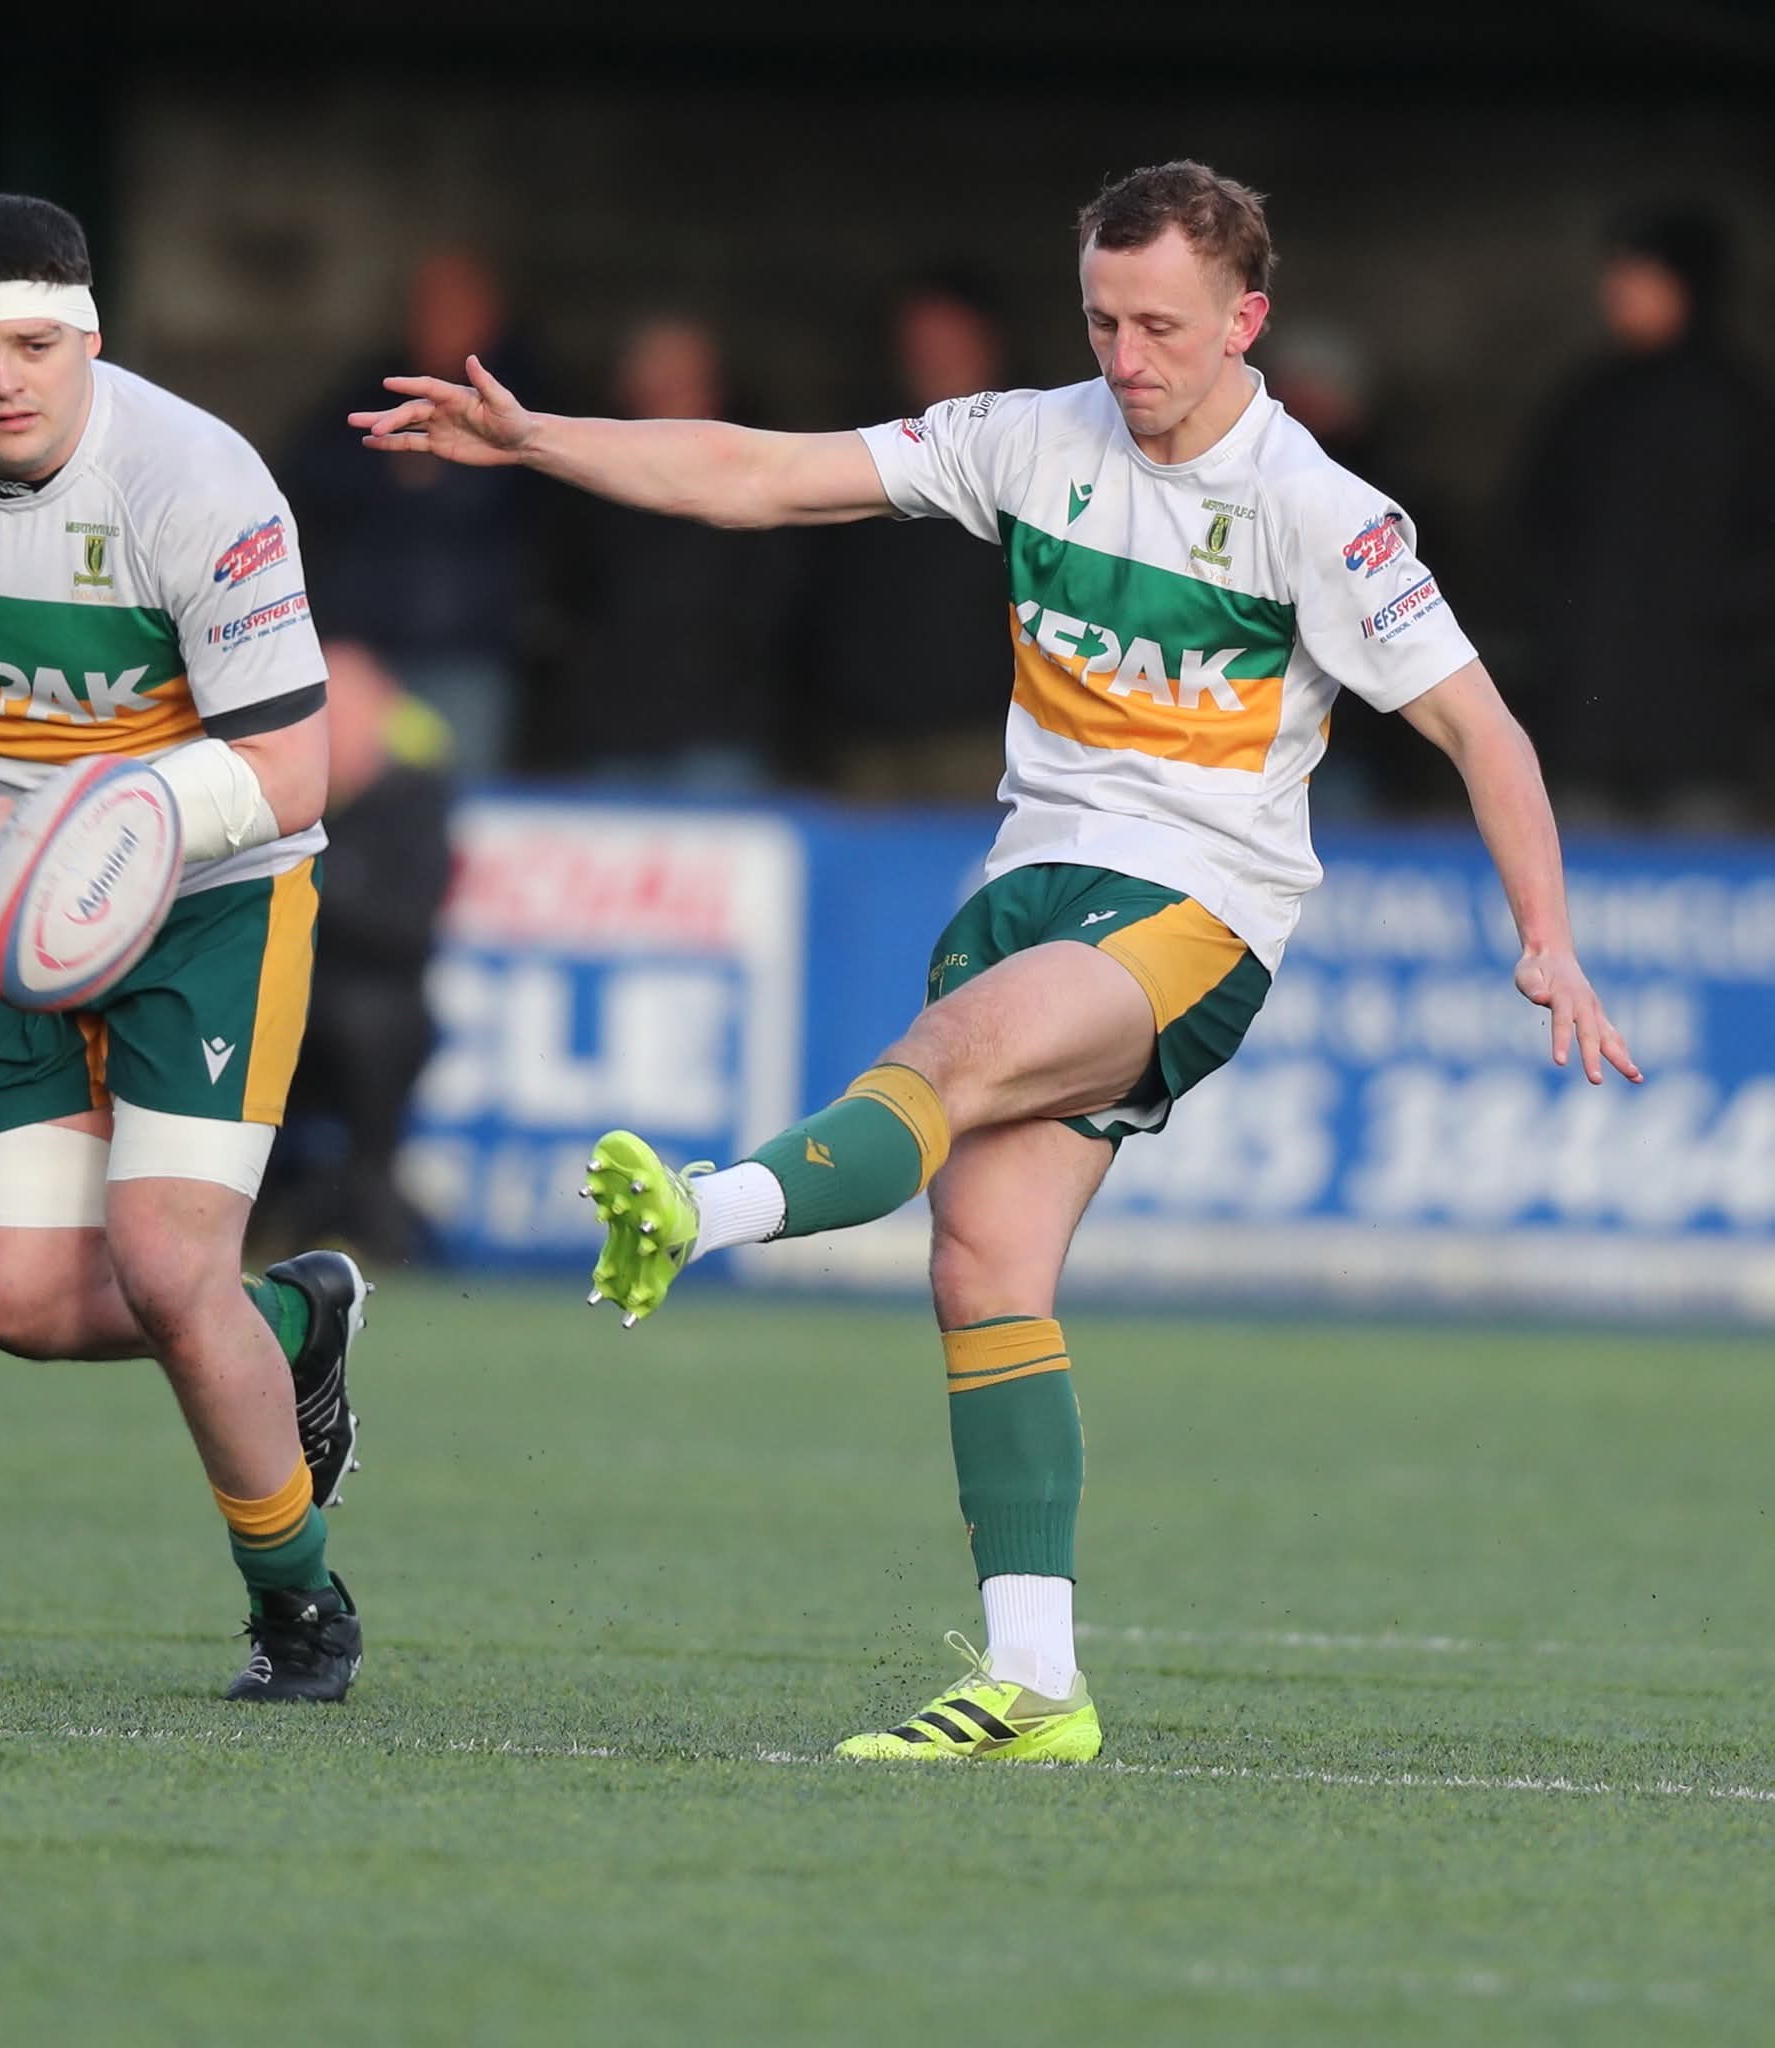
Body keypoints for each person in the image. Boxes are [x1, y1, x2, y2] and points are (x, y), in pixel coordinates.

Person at [351, 160, 1642, 1762]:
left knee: (949, 1061)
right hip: (1029, 884)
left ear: (1246, 319)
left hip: (1191, 914)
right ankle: (1035, 1684)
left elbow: (1482, 727)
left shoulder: (1320, 512)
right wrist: (540, 438)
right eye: (1102, 321)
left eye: (1161, 326)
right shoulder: (1031, 438)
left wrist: (1548, 940)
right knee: (982, 1269)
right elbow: (758, 474)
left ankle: (701, 1210)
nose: (1127, 358)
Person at [0, 193, 367, 1702]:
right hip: (6, 907)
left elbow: (293, 773)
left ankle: (298, 1606)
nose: (3, 381)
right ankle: (294, 1318)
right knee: (17, 1302)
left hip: (217, 900)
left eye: (35, 346)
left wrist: (53, 825)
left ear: (91, 334)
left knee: (168, 1268)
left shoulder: (199, 481)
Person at [1511, 206, 1775, 827]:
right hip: (1584, 725)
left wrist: (1723, 624)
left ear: (1687, 285)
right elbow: (1531, 535)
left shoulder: (1742, 410)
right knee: (1570, 877)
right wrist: (1559, 635)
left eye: (1637, 276)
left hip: (1705, 731)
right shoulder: (1588, 404)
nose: (1616, 292)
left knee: (1701, 876)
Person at [281, 245, 545, 779]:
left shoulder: (533, 407)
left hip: (468, 659)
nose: (439, 319)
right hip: (364, 659)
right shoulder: (372, 393)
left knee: (456, 807)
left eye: (455, 305)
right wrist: (391, 471)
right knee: (358, 808)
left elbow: (549, 528)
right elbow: (302, 494)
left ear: (491, 312)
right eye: (428, 305)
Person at [255, 638, 450, 1264]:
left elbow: (407, 929)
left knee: (372, 1027)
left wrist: (316, 891)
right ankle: (245, 1218)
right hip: (280, 1002)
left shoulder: (413, 803)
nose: (329, 731)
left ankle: (370, 1223)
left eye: (340, 716)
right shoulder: (275, 797)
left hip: (370, 1012)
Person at [547, 313, 798, 791]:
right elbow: (564, 592)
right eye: (654, 376)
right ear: (626, 387)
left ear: (713, 387)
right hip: (611, 727)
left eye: (681, 378)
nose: (667, 392)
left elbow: (776, 601)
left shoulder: (759, 475)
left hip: (719, 728)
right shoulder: (587, 481)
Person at [804, 275, 1022, 799]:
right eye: (920, 343)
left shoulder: (1031, 450)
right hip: (869, 734)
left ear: (986, 343)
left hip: (986, 738)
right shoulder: (864, 448)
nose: (932, 357)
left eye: (948, 341)